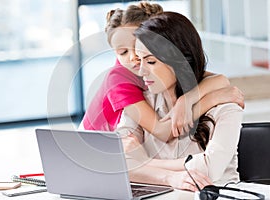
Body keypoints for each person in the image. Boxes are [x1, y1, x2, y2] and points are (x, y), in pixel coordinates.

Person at [80, 2, 243, 142]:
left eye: (137, 47)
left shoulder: (157, 65)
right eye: (123, 52)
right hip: (92, 149)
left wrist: (186, 100)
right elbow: (161, 132)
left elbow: (218, 79)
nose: (133, 58)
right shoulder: (118, 79)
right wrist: (212, 99)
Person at [117, 11, 243, 192]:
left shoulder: (224, 107)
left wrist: (143, 164)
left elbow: (209, 169)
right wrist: (169, 177)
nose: (142, 71)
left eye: (151, 61)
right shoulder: (141, 105)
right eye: (139, 61)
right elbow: (116, 162)